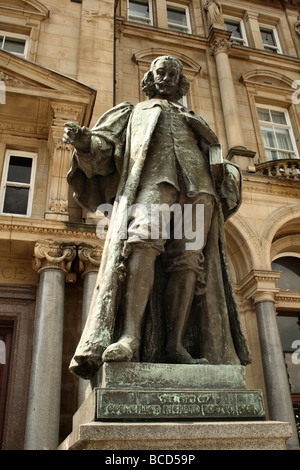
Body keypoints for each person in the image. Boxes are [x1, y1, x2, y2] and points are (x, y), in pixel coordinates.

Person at [64, 56, 251, 380]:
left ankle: (175, 345)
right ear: (150, 78)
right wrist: (84, 142)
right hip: (155, 184)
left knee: (189, 261)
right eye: (160, 72)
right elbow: (104, 147)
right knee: (141, 244)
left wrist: (227, 171)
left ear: (181, 82)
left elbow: (218, 158)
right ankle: (131, 336)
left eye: (172, 74)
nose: (166, 78)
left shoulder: (195, 118)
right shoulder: (134, 112)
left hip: (198, 189)